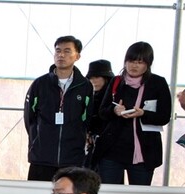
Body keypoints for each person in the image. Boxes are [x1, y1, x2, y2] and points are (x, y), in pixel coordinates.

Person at [95, 42, 172, 185]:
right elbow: (102, 112)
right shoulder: (116, 81)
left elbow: (164, 116)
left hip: (144, 153)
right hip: (112, 151)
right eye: (130, 61)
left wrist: (143, 113)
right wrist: (114, 110)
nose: (134, 66)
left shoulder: (157, 83)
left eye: (140, 62)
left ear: (148, 64)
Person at [24, 36, 93, 181]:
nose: (61, 55)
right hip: (41, 158)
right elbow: (29, 117)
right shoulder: (40, 84)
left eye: (67, 51)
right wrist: (36, 139)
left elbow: (87, 118)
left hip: (72, 159)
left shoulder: (85, 86)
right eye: (58, 51)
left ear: (77, 56)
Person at [84, 60, 113, 170]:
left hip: (108, 150)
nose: (93, 81)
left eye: (97, 77)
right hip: (91, 146)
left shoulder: (113, 98)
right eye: (91, 78)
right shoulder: (89, 96)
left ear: (106, 78)